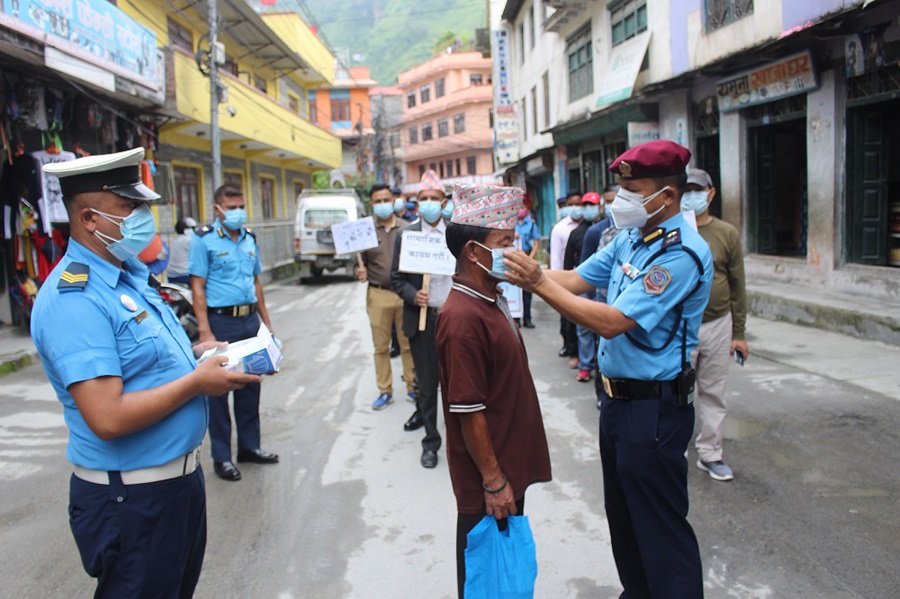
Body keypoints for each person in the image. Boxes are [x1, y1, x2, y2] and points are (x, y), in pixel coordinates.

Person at [31, 148, 259, 597]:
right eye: (128, 207)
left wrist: (196, 355)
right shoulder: (75, 299)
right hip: (133, 499)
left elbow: (143, 364)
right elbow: (107, 417)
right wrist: (196, 382)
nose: (142, 218)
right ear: (89, 219)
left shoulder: (130, 276)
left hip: (176, 486)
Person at [502, 140, 712, 598]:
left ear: (667, 197)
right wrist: (508, 268)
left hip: (655, 411)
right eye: (621, 188)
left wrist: (535, 283)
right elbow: (576, 279)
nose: (622, 199)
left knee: (660, 530)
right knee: (625, 519)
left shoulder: (680, 254)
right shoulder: (631, 238)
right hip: (616, 403)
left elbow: (612, 321)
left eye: (633, 191)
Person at [437, 183, 551, 598]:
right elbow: (469, 410)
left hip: (506, 466)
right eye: (505, 243)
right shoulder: (462, 317)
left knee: (506, 581)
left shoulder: (489, 297)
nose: (515, 251)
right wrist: (493, 479)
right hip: (489, 480)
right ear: (473, 252)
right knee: (486, 581)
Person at [189, 184, 279, 482]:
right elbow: (198, 288)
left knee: (251, 385)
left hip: (249, 321)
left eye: (241, 206)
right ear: (217, 209)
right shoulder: (203, 241)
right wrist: (205, 331)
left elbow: (256, 284)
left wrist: (267, 325)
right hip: (221, 323)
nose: (238, 212)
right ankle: (222, 457)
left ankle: (250, 447)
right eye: (232, 207)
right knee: (218, 391)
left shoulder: (249, 238)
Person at [682, 168, 748, 482]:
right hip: (681, 326)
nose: (692, 196)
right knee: (678, 391)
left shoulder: (726, 233)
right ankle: (674, 449)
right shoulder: (675, 230)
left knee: (712, 391)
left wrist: (739, 334)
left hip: (718, 323)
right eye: (686, 191)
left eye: (698, 190)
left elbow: (737, 285)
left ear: (711, 193)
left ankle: (710, 453)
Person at [391, 169, 451, 468]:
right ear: (417, 202)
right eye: (423, 198)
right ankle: (430, 442)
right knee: (427, 387)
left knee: (457, 386)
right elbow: (396, 279)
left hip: (454, 321)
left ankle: (461, 443)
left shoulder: (457, 233)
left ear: (444, 202)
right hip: (423, 322)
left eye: (434, 198)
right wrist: (414, 295)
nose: (429, 203)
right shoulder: (406, 235)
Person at [357, 183, 417, 413]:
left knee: (408, 343)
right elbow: (358, 264)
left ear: (393, 201)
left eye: (386, 200)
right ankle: (385, 390)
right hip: (378, 295)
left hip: (405, 295)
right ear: (371, 204)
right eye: (378, 201)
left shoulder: (408, 229)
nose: (382, 205)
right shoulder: (364, 233)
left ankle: (412, 386)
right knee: (381, 347)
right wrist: (359, 271)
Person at [564, 191, 603, 381]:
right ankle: (586, 365)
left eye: (592, 205)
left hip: (604, 285)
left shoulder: (608, 231)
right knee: (584, 326)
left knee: (603, 326)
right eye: (585, 205)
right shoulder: (579, 233)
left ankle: (601, 365)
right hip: (583, 283)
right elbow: (569, 265)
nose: (588, 209)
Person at [550, 191, 582, 359]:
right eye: (571, 205)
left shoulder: (590, 227)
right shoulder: (560, 228)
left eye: (578, 204)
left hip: (584, 279)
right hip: (565, 276)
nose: (574, 208)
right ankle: (569, 347)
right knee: (567, 317)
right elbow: (556, 257)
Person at [514, 208, 540, 328]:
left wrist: (529, 258)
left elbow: (536, 243)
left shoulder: (531, 224)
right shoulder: (510, 223)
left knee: (527, 289)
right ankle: (516, 318)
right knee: (515, 289)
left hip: (526, 255)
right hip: (514, 257)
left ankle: (527, 318)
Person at [167, 216, 197, 286]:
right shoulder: (188, 240)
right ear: (186, 229)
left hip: (171, 275)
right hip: (185, 275)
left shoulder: (174, 240)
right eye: (193, 228)